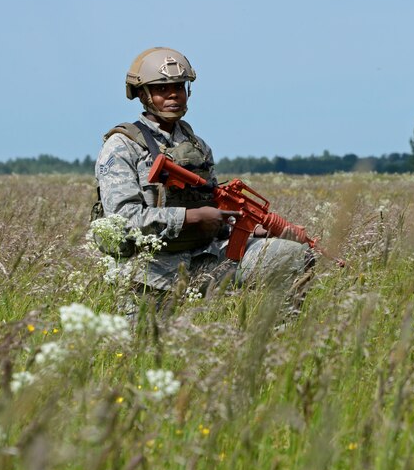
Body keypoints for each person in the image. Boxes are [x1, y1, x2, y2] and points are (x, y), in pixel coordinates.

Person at [94, 47, 310, 302]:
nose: (173, 94)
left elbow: (214, 211)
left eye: (179, 87)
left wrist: (250, 229)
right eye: (162, 89)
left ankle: (278, 338)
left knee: (294, 255)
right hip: (148, 272)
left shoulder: (198, 146)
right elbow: (121, 221)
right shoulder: (122, 146)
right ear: (143, 95)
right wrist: (191, 217)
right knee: (145, 341)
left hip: (204, 258)